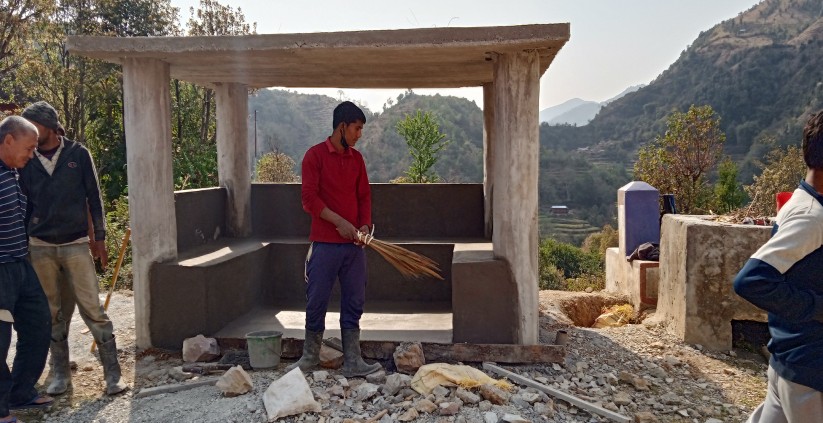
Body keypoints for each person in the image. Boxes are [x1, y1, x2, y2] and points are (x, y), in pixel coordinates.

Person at [19, 102, 127, 396]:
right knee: (52, 311)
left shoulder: (77, 154)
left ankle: (112, 374)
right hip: (40, 246)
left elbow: (94, 198)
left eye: (33, 126)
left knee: (92, 308)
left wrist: (100, 238)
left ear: (48, 126)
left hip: (76, 243)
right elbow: (23, 203)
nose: (29, 132)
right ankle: (60, 373)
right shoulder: (28, 159)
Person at [733, 110, 823, 423]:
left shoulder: (803, 201)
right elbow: (751, 280)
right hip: (810, 374)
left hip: (788, 363)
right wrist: (818, 307)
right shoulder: (811, 217)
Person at [289, 101, 381, 378]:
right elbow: (309, 199)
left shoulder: (357, 159)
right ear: (342, 127)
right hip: (325, 244)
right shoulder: (314, 156)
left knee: (354, 301)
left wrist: (363, 225)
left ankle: (353, 361)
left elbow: (364, 196)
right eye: (356, 128)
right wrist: (339, 222)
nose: (359, 134)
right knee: (316, 299)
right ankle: (309, 358)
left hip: (354, 246)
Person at [0, 116, 53, 423]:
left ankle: (20, 392)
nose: (32, 154)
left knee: (38, 324)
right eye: (29, 148)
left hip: (20, 262)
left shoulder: (13, 171)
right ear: (8, 140)